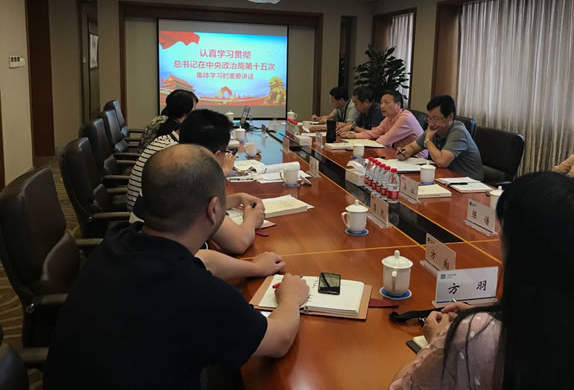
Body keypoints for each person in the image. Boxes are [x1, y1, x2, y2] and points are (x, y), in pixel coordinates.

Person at [44, 144, 309, 390]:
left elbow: (203, 260)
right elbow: (280, 339)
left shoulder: (118, 240)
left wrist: (254, 268)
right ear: (213, 210)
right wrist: (290, 297)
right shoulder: (198, 294)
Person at [390, 172, 574, 390]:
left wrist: (439, 343)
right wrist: (494, 314)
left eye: (504, 232)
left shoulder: (474, 337)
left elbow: (400, 386)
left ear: (525, 251)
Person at [127, 109, 259, 256]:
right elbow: (239, 242)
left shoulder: (174, 167)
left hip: (142, 254)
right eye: (226, 152)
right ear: (216, 155)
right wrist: (252, 219)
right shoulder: (195, 181)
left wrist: (237, 198)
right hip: (166, 264)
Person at [396, 95, 482, 178]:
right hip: (446, 177)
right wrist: (403, 153)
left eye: (435, 118)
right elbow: (413, 147)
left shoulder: (458, 132)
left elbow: (442, 162)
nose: (431, 123)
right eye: (429, 118)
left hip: (468, 182)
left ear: (450, 117)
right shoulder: (435, 129)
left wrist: (428, 140)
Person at [343, 90, 425, 156]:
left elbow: (385, 140)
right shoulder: (389, 118)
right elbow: (374, 132)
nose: (382, 106)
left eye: (386, 102)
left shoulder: (405, 118)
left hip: (417, 158)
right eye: (381, 103)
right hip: (400, 154)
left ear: (398, 104)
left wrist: (376, 138)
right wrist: (354, 136)